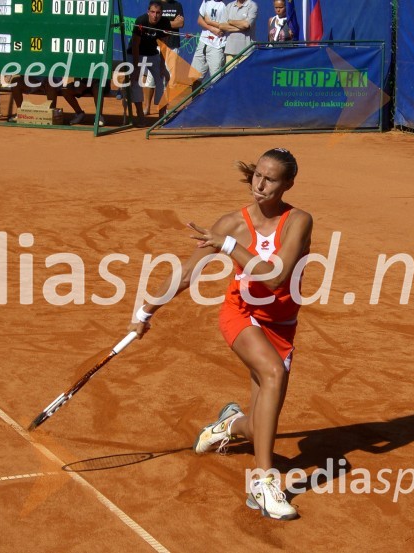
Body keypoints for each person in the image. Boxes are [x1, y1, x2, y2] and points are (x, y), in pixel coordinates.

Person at [129, 148, 312, 521]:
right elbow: (185, 274)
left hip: (281, 324)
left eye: (271, 179)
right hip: (241, 314)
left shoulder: (299, 221)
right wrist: (145, 310)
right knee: (273, 373)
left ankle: (229, 424)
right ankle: (262, 483)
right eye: (257, 175)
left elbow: (275, 275)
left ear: (288, 183)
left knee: (261, 420)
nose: (260, 184)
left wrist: (228, 245)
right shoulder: (232, 223)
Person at [190, 0, 227, 89]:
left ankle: (215, 102)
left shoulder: (225, 5)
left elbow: (226, 26)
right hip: (203, 42)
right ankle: (195, 102)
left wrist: (209, 22)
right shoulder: (206, 1)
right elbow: (200, 20)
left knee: (216, 79)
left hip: (217, 46)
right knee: (195, 77)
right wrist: (212, 28)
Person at [221, 0, 258, 65]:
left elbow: (246, 25)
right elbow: (222, 26)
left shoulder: (252, 5)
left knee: (244, 75)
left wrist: (230, 21)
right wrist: (241, 27)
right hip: (230, 51)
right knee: (230, 75)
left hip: (246, 52)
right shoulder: (229, 6)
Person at [160, 0, 184, 94]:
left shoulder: (177, 5)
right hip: (157, 45)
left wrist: (163, 23)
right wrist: (173, 22)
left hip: (173, 45)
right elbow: (154, 23)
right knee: (152, 78)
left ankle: (165, 106)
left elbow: (181, 24)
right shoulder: (155, 3)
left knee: (170, 79)